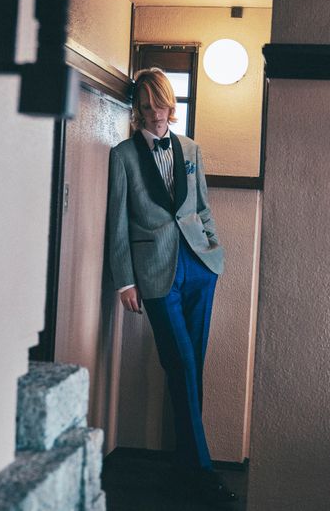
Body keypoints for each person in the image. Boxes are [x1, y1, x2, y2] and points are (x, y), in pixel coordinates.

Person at [107, 67, 237, 506]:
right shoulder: (123, 155)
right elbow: (118, 222)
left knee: (192, 366)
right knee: (180, 364)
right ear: (137, 110)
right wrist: (125, 280)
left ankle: (185, 468)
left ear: (170, 104)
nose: (155, 113)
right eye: (146, 107)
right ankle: (202, 472)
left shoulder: (191, 148)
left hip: (200, 267)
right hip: (155, 273)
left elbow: (202, 206)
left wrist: (213, 251)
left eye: (160, 104)